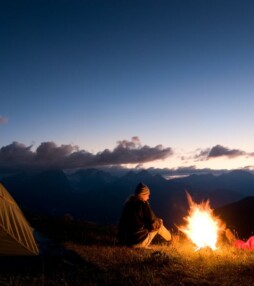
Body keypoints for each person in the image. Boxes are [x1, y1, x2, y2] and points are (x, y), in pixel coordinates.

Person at [117, 182, 172, 248]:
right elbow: (153, 223)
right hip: (138, 242)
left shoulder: (128, 204)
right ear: (143, 194)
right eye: (148, 195)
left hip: (126, 242)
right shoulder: (143, 204)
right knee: (159, 223)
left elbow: (122, 224)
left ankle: (171, 239)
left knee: (156, 223)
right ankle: (171, 239)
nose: (148, 197)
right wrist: (160, 222)